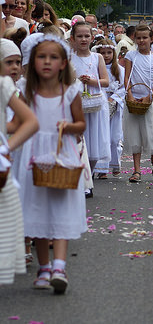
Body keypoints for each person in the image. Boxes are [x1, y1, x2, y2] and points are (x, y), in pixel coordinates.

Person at [18, 33, 86, 293]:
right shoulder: (27, 91)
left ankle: (59, 266)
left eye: (53, 57)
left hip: (61, 155)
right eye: (41, 57)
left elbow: (81, 124)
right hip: (33, 156)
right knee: (37, 211)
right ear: (33, 62)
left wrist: (68, 126)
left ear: (62, 63)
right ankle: (44, 266)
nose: (47, 62)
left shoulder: (70, 92)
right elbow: (18, 122)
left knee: (60, 209)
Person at [0, 49, 38, 285]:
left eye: (17, 62)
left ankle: (23, 244)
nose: (14, 67)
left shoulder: (7, 87)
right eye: (8, 62)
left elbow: (28, 121)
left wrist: (5, 147)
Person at [69, 22, 110, 192]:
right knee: (79, 141)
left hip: (94, 104)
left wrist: (91, 81)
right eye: (80, 36)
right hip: (76, 105)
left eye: (87, 36)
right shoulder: (69, 58)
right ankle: (80, 178)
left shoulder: (97, 58)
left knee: (94, 141)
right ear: (73, 39)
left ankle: (89, 176)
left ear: (92, 38)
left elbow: (106, 81)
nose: (83, 39)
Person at [123, 24, 153, 183]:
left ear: (151, 39)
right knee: (135, 134)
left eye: (145, 38)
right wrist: (129, 94)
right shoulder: (130, 55)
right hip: (133, 100)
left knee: (150, 134)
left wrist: (150, 96)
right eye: (138, 38)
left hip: (148, 100)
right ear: (134, 39)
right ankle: (136, 170)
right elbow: (126, 77)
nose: (141, 41)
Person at [93, 40, 125, 179]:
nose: (106, 56)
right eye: (103, 53)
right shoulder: (95, 68)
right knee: (101, 136)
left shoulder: (120, 70)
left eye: (109, 52)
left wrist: (114, 98)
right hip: (100, 104)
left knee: (114, 137)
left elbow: (124, 87)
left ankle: (114, 164)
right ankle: (101, 169)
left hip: (114, 106)